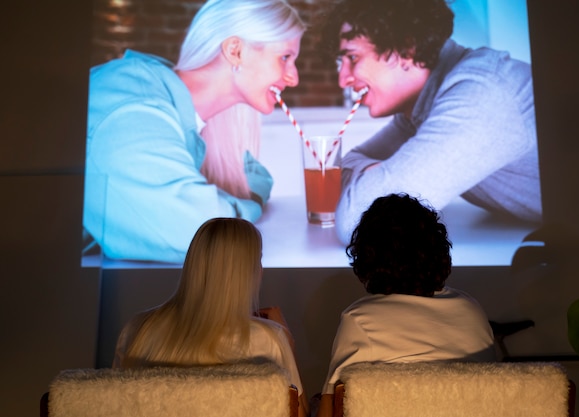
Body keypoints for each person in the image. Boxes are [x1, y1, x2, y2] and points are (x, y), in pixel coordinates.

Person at [83, 0, 305, 262]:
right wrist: (248, 204)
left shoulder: (187, 113)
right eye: (285, 58)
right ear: (235, 51)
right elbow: (205, 235)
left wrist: (232, 201)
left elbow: (255, 175)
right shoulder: (135, 109)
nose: (294, 77)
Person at [319, 0, 541, 244]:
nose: (343, 80)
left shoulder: (481, 93)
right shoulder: (419, 112)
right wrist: (374, 173)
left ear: (407, 48)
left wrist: (378, 176)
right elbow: (346, 164)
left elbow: (360, 222)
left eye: (353, 57)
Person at [316, 193, 496, 417]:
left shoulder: (360, 319)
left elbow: (331, 410)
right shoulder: (472, 311)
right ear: (437, 249)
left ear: (368, 256)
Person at [113, 218, 309, 417]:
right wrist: (287, 341)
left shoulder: (136, 330)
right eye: (258, 259)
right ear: (245, 272)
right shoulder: (268, 340)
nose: (262, 270)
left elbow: (117, 406)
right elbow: (299, 413)